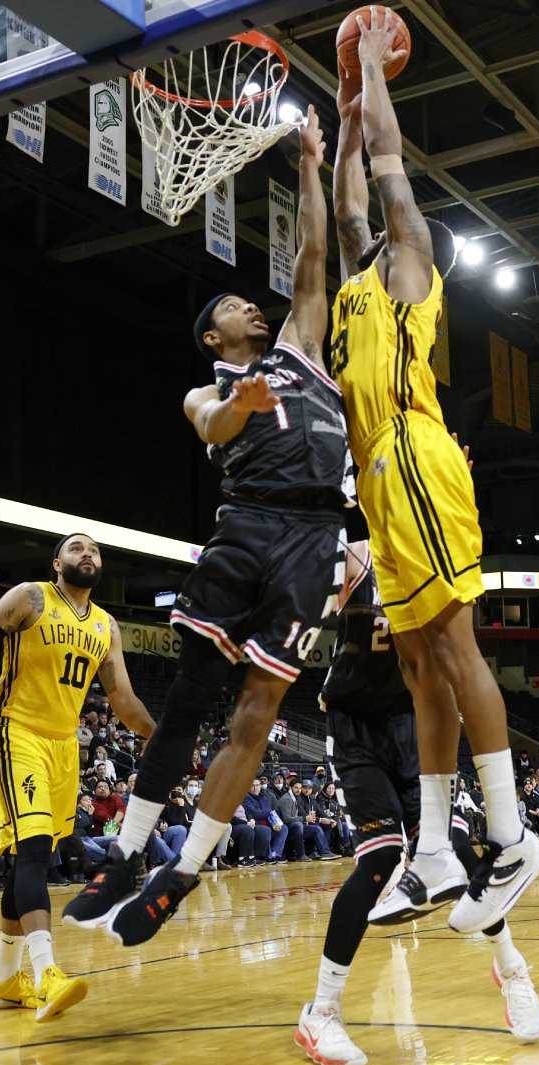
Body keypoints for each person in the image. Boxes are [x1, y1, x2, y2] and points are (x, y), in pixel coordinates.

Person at [63, 106, 354, 948]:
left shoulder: (302, 346)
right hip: (246, 529)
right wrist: (241, 402)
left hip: (314, 541)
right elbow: (211, 430)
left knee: (258, 712)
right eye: (234, 306)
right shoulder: (207, 390)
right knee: (189, 695)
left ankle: (179, 873)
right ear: (212, 337)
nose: (252, 310)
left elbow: (310, 257)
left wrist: (307, 164)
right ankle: (123, 855)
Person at [329, 10, 539, 933]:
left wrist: (375, 75)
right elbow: (346, 202)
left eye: (383, 231)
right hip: (379, 485)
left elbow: (386, 172)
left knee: (453, 653)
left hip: (417, 457)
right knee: (419, 668)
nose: (374, 232)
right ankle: (433, 851)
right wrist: (341, 113)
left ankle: (511, 835)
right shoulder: (354, 288)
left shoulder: (410, 261)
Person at [296, 539, 539, 1065]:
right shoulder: (355, 556)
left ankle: (512, 969)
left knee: (456, 844)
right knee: (380, 861)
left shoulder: (435, 555)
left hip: (417, 725)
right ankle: (322, 1009)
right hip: (355, 725)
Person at [0, 533, 156, 1020]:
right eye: (78, 548)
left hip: (64, 748)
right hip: (15, 733)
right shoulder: (30, 596)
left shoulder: (106, 625)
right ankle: (46, 973)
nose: (88, 554)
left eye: (95, 551)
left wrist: (159, 735)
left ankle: (3, 981)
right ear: (57, 561)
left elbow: (123, 701)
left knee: (29, 857)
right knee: (36, 848)